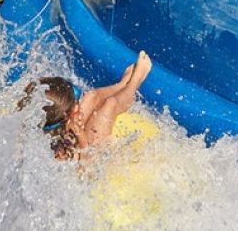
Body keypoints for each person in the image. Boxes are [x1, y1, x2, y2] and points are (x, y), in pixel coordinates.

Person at [19, 50, 153, 161]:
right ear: (66, 116)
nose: (79, 101)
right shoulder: (59, 153)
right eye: (76, 100)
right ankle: (134, 83)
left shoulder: (49, 124)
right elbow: (86, 168)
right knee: (110, 105)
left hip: (69, 129)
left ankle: (122, 85)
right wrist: (80, 135)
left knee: (92, 96)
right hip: (93, 161)